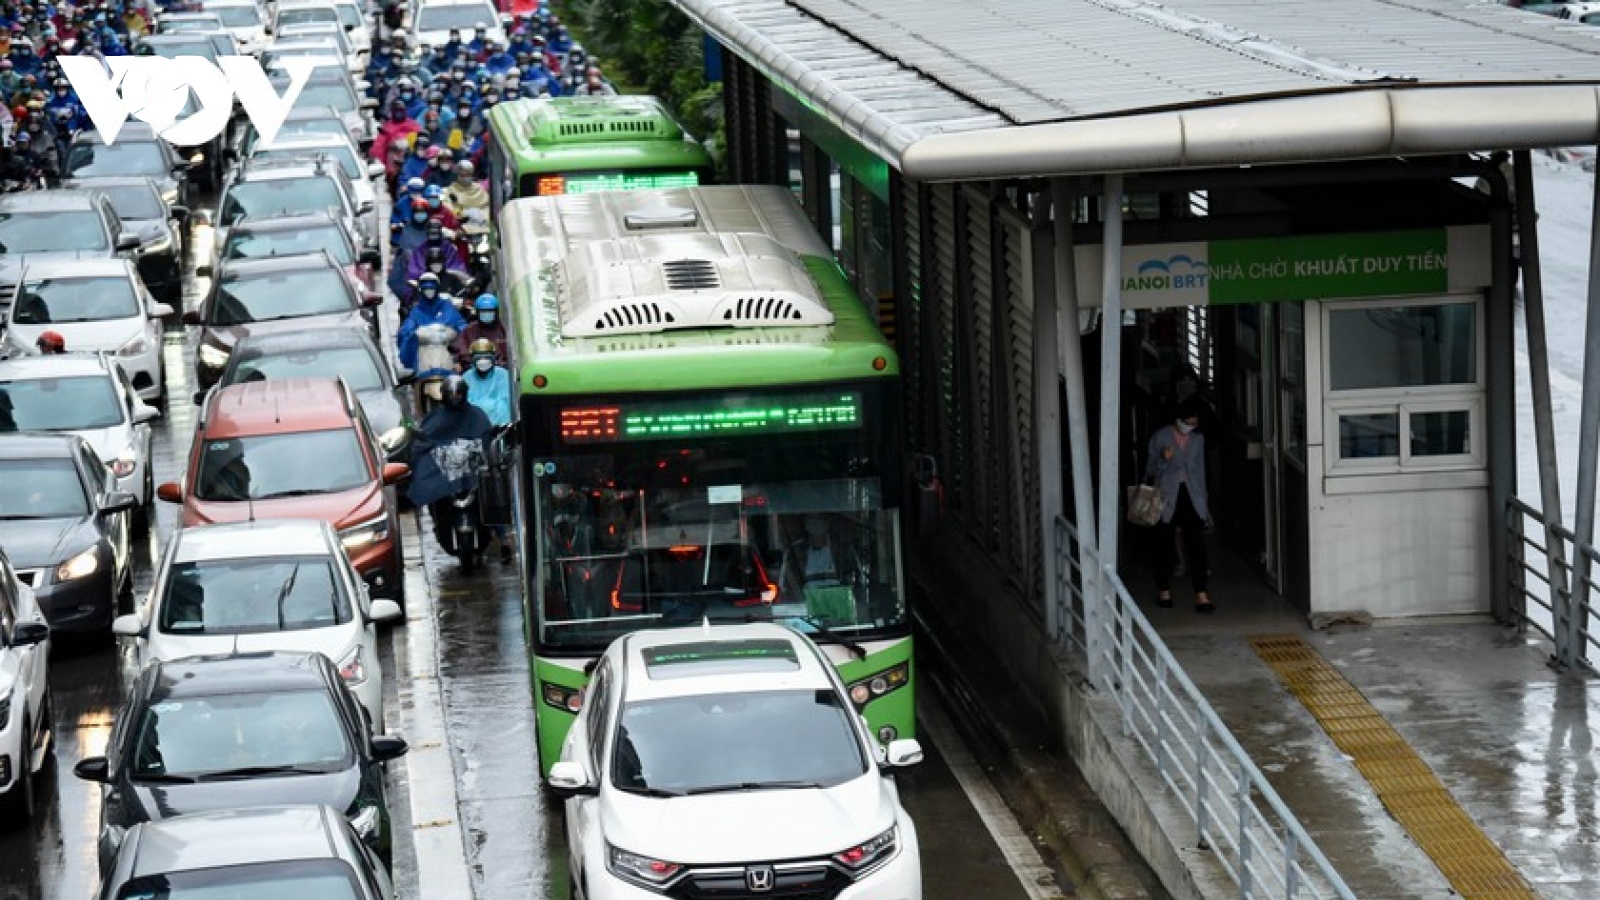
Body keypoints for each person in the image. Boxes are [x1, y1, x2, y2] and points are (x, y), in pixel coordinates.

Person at [1145, 397, 1213, 612]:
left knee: (1197, 546)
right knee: (1162, 544)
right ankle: (1163, 590)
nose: (1191, 427)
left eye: (1195, 424)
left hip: (1192, 496)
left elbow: (1200, 471)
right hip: (1166, 496)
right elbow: (1150, 470)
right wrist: (1163, 459)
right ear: (1179, 419)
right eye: (1189, 423)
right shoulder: (1161, 436)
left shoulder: (1198, 439)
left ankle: (1201, 594)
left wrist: (1205, 503)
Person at [396, 274, 466, 371]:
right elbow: (405, 333)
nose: (429, 292)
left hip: (447, 355)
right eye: (426, 289)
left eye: (432, 289)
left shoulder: (447, 306)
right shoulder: (416, 310)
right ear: (421, 290)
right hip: (424, 358)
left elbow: (461, 327)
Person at [780, 514, 857, 598]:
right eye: (811, 518)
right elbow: (786, 586)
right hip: (805, 605)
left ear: (828, 522)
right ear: (805, 522)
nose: (815, 522)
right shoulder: (794, 551)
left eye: (819, 518)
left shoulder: (843, 549)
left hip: (838, 605)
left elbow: (854, 583)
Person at [463, 338, 510, 426]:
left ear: (493, 357)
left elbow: (504, 401)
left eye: (486, 356)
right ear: (472, 358)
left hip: (499, 423)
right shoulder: (467, 376)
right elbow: (465, 403)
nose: (483, 360)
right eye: (479, 356)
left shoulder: (502, 374)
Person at [453, 293, 506, 366]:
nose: (487, 314)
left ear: (496, 312)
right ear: (477, 313)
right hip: (474, 368)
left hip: (498, 368)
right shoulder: (469, 330)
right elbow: (461, 349)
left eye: (490, 311)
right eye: (483, 312)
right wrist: (467, 360)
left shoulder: (503, 328)